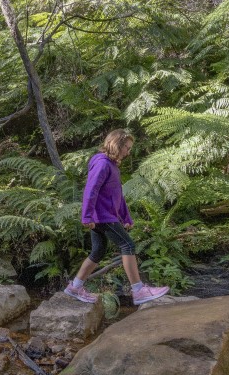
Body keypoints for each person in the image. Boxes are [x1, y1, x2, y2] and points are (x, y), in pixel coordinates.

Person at [65, 129, 169, 306]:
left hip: (104, 215)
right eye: (127, 148)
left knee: (98, 250)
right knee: (127, 244)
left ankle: (75, 286)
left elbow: (116, 194)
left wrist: (125, 217)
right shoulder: (102, 164)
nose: (128, 152)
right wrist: (87, 216)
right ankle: (138, 290)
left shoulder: (112, 165)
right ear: (117, 145)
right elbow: (91, 190)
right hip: (102, 216)